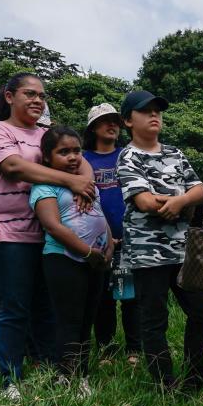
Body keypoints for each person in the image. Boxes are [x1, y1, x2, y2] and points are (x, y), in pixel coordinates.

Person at [0, 74, 98, 400]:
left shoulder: (48, 134)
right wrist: (69, 181)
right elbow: (14, 167)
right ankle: (11, 380)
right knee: (15, 305)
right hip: (9, 232)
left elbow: (83, 167)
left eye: (42, 96)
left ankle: (52, 370)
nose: (37, 100)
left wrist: (81, 183)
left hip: (53, 235)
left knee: (50, 306)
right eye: (29, 94)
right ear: (8, 96)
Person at [116, 90, 203, 392]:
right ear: (128, 121)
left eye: (157, 110)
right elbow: (144, 201)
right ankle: (165, 382)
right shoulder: (128, 157)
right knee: (154, 318)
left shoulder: (175, 152)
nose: (154, 115)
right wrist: (179, 203)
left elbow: (201, 190)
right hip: (148, 251)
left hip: (183, 248)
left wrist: (178, 201)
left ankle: (196, 372)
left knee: (201, 309)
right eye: (145, 111)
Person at [31, 126, 113, 398]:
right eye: (63, 152)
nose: (72, 157)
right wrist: (88, 253)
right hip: (64, 260)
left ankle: (83, 375)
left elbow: (101, 216)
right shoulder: (43, 186)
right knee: (69, 320)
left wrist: (109, 245)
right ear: (47, 158)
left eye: (76, 151)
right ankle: (65, 376)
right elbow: (53, 226)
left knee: (87, 320)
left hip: (96, 262)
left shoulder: (86, 184)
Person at [83, 102, 142, 365]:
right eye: (105, 121)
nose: (112, 125)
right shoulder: (83, 158)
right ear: (93, 127)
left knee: (130, 295)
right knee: (102, 297)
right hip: (96, 239)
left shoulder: (127, 155)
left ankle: (135, 349)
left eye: (115, 121)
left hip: (129, 236)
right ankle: (106, 347)